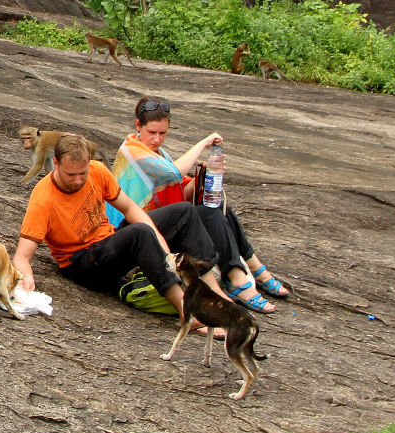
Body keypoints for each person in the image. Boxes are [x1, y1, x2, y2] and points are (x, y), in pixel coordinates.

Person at [12, 132, 232, 328]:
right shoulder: (43, 198)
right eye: (71, 175)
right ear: (56, 163)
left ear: (89, 162)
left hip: (109, 242)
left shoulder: (97, 171)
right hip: (82, 262)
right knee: (140, 233)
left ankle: (213, 292)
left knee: (182, 212)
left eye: (83, 172)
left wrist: (160, 242)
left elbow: (128, 208)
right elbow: (22, 255)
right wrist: (26, 278)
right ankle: (187, 311)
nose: (79, 180)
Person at [111, 96, 290, 314]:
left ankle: (252, 267)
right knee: (206, 211)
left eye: (163, 133)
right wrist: (204, 143)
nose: (157, 139)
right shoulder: (131, 150)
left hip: (161, 221)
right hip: (134, 231)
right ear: (138, 126)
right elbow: (172, 173)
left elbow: (179, 192)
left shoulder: (158, 153)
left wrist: (203, 173)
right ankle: (236, 277)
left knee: (215, 204)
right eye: (152, 133)